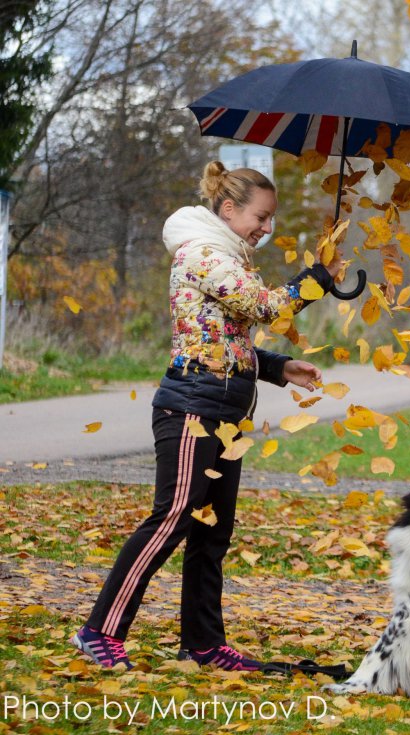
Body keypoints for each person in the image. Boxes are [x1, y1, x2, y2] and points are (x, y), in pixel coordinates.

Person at [71, 161, 341, 671]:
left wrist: (280, 367)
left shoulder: (230, 258)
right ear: (229, 208)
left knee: (211, 531)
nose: (266, 228)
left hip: (226, 413)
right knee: (173, 517)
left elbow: (222, 341)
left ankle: (203, 645)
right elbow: (262, 307)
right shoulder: (202, 253)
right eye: (261, 218)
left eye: (271, 221)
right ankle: (99, 630)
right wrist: (316, 280)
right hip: (192, 408)